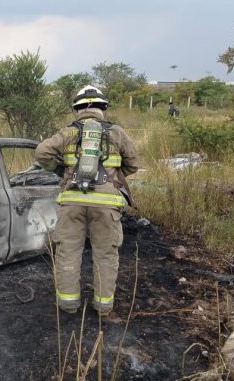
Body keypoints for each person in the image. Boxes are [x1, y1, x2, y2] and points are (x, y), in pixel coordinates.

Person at [35, 85, 139, 316]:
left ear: (77, 109)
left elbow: (42, 152)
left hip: (72, 201)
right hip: (106, 206)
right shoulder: (117, 133)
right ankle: (103, 307)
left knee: (68, 252)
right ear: (102, 108)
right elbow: (133, 164)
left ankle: (69, 305)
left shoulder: (68, 133)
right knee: (105, 255)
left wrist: (60, 169)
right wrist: (112, 175)